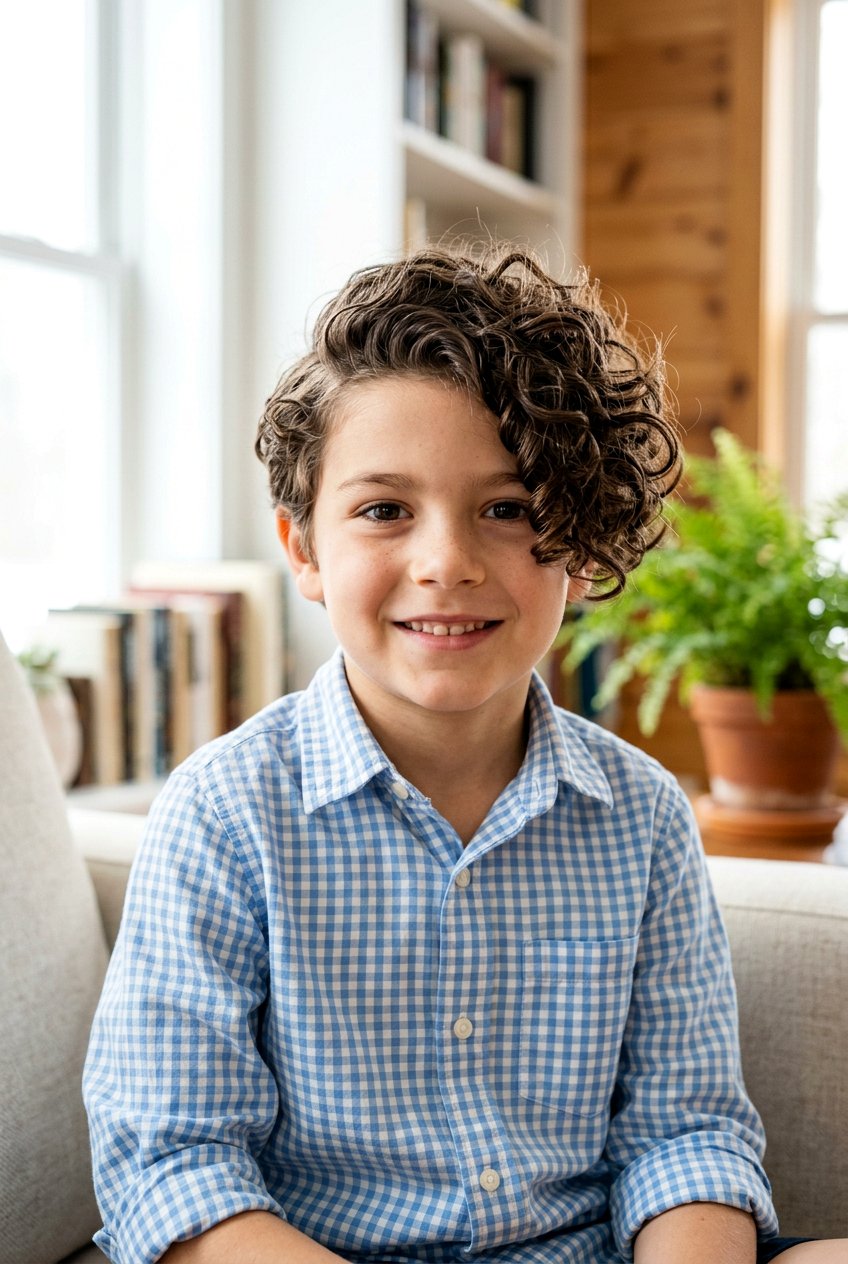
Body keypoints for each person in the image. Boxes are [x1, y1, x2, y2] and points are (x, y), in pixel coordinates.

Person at [83, 245, 845, 1264]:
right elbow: (171, 1163)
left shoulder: (643, 814)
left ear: (574, 544)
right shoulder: (224, 812)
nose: (446, 562)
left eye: (508, 509)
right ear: (304, 546)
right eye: (383, 510)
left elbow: (684, 1133)